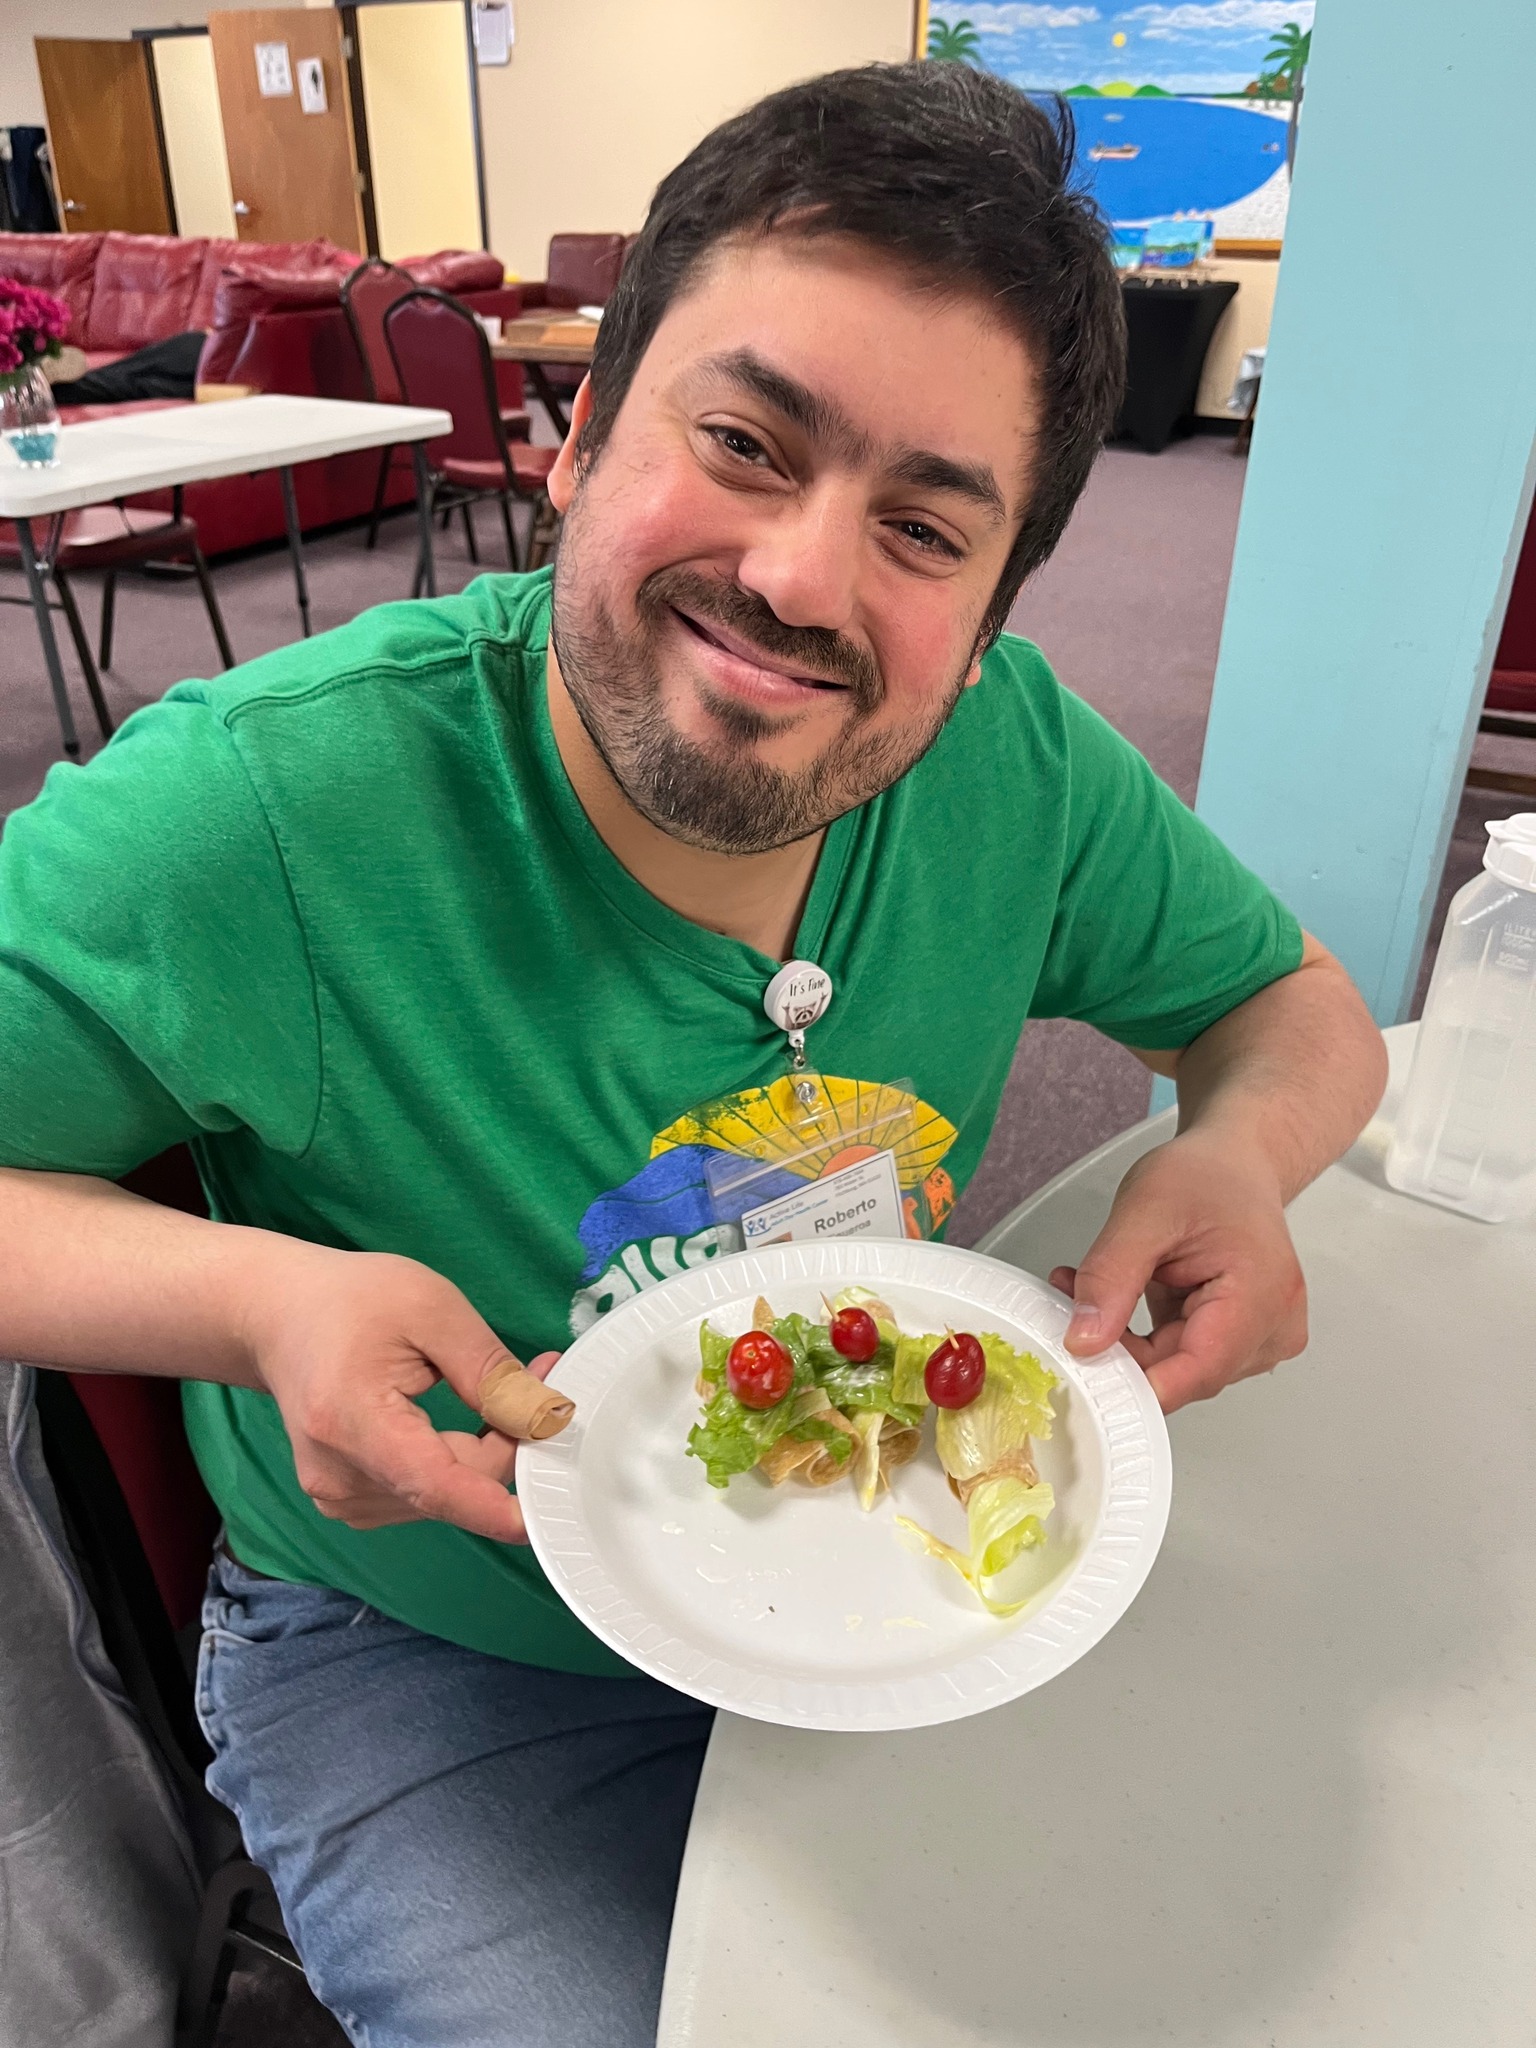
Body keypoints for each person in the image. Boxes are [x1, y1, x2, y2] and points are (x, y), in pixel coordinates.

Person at [0, 61, 1385, 2048]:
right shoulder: (260, 815)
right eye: (744, 440)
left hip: (876, 1566)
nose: (806, 579)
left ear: (991, 622)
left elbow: (1298, 1013)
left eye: (926, 529)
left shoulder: (1018, 766)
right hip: (433, 1648)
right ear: (574, 437)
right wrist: (251, 1300)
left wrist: (1243, 1149)